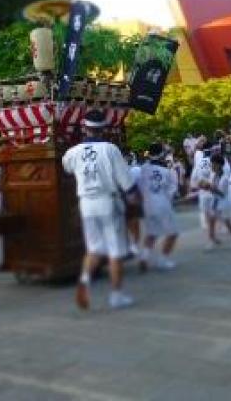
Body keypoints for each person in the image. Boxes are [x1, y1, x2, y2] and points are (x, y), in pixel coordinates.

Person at [62, 109, 139, 310]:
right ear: (103, 129)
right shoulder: (110, 149)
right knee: (116, 251)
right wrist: (134, 200)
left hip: (86, 204)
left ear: (84, 128)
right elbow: (127, 184)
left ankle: (85, 280)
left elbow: (67, 169)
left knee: (94, 249)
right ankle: (116, 295)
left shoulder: (72, 152)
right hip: (108, 202)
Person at [136, 143, 180, 271]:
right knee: (172, 233)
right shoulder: (167, 171)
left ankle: (144, 257)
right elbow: (172, 191)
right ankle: (163, 259)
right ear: (162, 154)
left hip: (147, 204)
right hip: (162, 203)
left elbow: (138, 187)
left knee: (151, 233)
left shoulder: (142, 169)